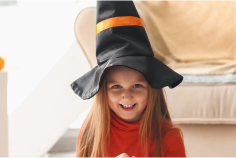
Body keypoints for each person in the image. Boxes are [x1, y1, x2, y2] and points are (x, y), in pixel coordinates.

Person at [70, 0, 186, 158]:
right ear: (103, 91)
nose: (127, 95)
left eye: (137, 85)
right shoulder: (91, 131)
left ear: (151, 88)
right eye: (116, 87)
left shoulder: (169, 138)